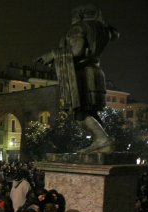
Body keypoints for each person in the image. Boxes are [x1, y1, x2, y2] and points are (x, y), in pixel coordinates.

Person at [37, 4, 119, 153]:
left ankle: (102, 139)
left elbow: (77, 50)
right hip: (95, 71)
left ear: (80, 15)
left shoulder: (78, 28)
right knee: (91, 112)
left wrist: (52, 54)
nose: (72, 19)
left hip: (82, 74)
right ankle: (101, 141)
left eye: (74, 16)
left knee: (79, 113)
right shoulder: (101, 29)